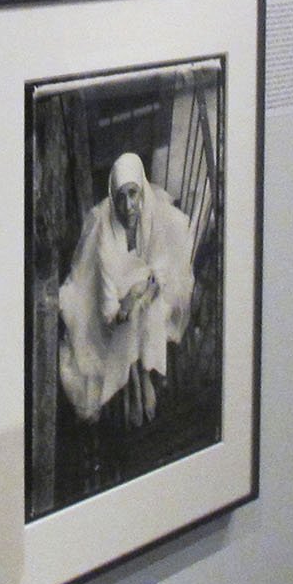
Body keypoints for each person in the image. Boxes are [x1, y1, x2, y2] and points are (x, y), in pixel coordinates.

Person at [56, 152, 199, 427]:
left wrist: (138, 295)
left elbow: (162, 273)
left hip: (149, 289)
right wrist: (127, 302)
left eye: (133, 194)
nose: (128, 205)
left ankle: (142, 375)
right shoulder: (103, 227)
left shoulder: (155, 214)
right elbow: (109, 302)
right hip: (116, 293)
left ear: (142, 192)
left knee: (150, 311)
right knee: (127, 320)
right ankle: (135, 378)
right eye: (120, 197)